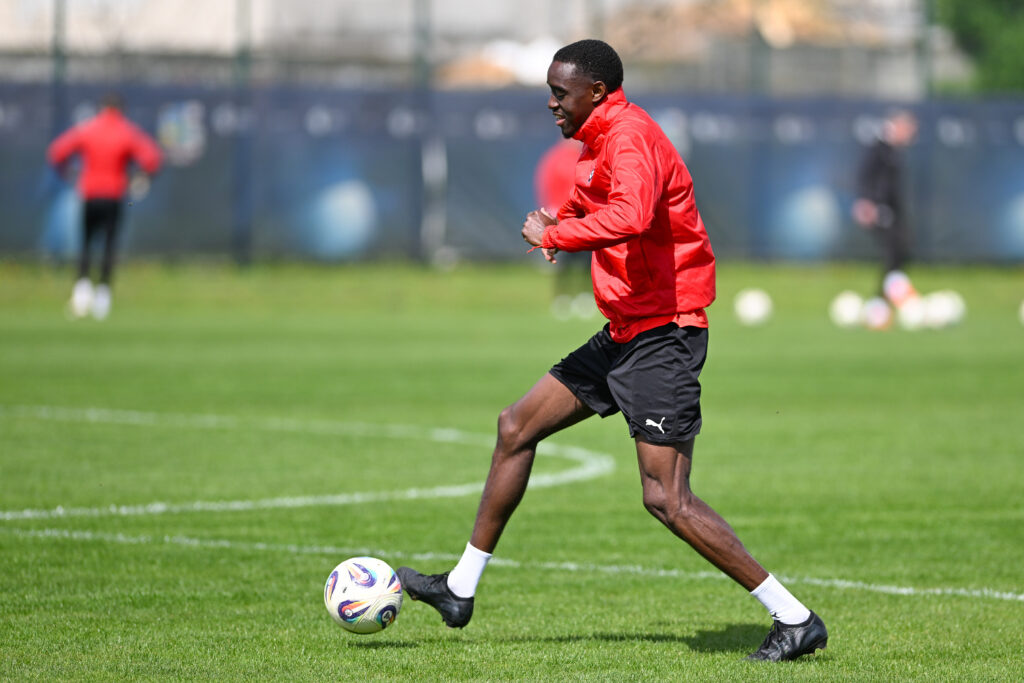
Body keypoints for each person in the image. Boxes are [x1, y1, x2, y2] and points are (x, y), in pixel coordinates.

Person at [397, 39, 828, 663]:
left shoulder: (629, 137)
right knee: (516, 427)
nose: (551, 104)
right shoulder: (599, 140)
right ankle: (460, 588)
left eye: (560, 93)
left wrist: (558, 235)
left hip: (663, 336)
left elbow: (631, 215)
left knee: (667, 498)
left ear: (596, 91)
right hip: (626, 330)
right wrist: (561, 220)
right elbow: (593, 196)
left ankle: (794, 618)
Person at [47, 92, 162, 320]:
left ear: (102, 108)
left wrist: (67, 173)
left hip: (90, 194)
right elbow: (152, 158)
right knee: (109, 246)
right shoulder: (126, 131)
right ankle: (103, 296)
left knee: (86, 243)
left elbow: (56, 152)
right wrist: (140, 178)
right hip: (114, 196)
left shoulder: (88, 129)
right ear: (121, 109)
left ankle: (81, 292)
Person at [852, 109, 918, 302]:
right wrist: (867, 203)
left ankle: (889, 295)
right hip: (879, 210)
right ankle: (883, 298)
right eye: (908, 130)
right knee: (894, 249)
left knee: (900, 249)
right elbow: (865, 176)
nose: (910, 136)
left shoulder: (894, 151)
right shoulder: (879, 149)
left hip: (893, 211)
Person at [533, 137, 592, 318]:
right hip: (561, 217)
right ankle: (562, 298)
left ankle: (585, 297)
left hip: (583, 217)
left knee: (587, 260)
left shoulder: (585, 157)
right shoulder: (556, 158)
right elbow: (545, 185)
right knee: (564, 262)